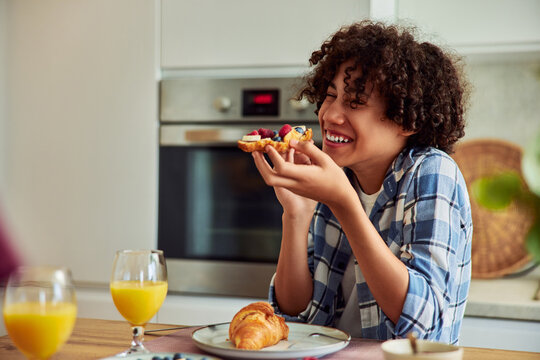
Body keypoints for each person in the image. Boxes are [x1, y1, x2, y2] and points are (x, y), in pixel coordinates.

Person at [252, 20, 472, 344]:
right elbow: (294, 314)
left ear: (406, 119)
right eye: (330, 95)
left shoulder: (432, 174)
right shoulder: (337, 177)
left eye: (355, 102)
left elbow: (422, 325)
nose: (330, 115)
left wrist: (344, 204)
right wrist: (296, 215)